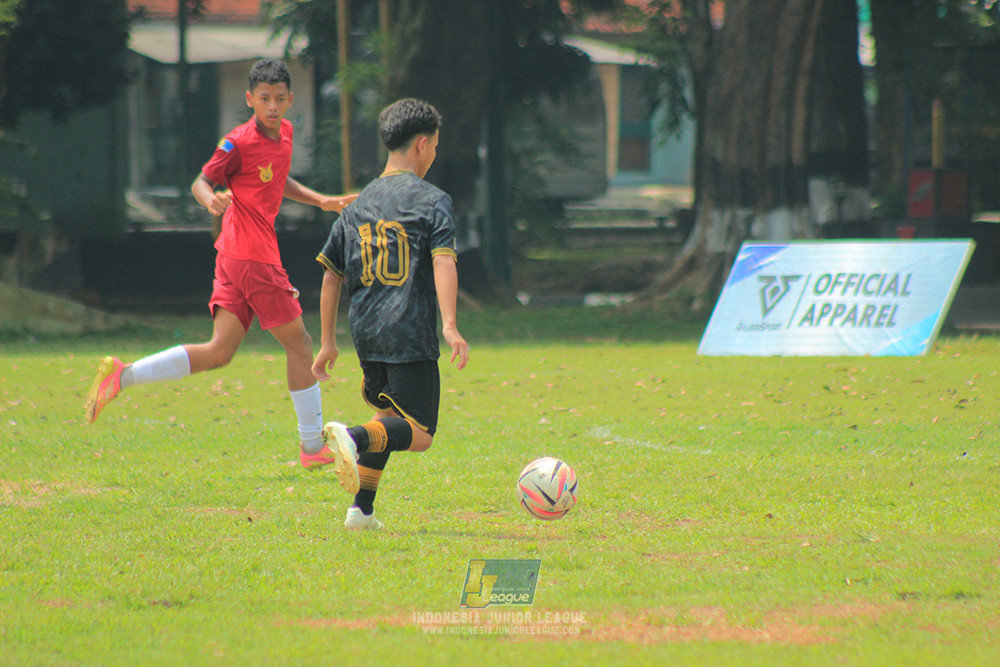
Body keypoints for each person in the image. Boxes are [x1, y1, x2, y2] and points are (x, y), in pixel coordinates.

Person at [85, 59, 356, 470]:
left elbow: (277, 179)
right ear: (249, 99)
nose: (272, 106)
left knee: (219, 351)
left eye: (279, 99)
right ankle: (310, 446)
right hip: (251, 257)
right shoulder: (237, 142)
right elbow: (201, 180)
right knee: (301, 346)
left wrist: (321, 200)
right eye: (263, 99)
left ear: (289, 100)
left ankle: (121, 376)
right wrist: (208, 199)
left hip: (235, 256)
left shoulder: (285, 133)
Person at [313, 98, 469, 531]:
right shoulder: (433, 200)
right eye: (435, 146)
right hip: (409, 333)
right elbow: (443, 261)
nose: (434, 155)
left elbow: (330, 275)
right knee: (418, 435)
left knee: (387, 417)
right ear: (422, 144)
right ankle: (353, 437)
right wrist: (450, 325)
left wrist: (327, 342)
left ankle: (360, 511)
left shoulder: (357, 204)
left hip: (367, 334)